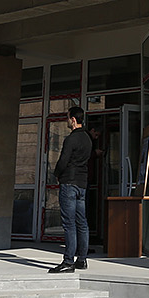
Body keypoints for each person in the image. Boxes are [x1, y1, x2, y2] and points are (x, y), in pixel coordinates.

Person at [49, 104, 92, 273]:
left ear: (73, 120)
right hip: (82, 183)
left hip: (69, 183)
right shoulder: (88, 139)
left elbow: (63, 161)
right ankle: (82, 260)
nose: (67, 121)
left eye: (68, 118)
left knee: (69, 224)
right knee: (82, 222)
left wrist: (56, 174)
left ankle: (68, 261)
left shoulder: (71, 139)